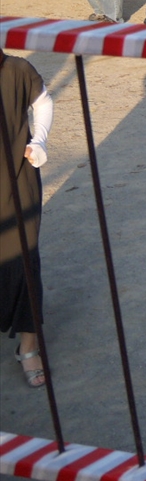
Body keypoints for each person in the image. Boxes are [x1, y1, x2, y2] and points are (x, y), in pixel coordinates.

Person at [0, 49, 54, 388]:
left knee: (24, 261)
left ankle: (29, 346)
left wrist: (39, 141)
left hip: (17, 178)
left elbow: (43, 102)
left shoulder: (17, 69)